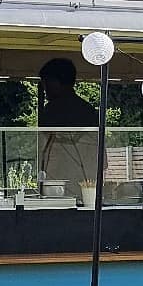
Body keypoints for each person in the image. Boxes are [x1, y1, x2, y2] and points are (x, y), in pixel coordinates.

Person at [38, 57, 99, 196]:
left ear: (56, 82)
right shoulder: (88, 110)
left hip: (57, 183)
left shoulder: (52, 111)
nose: (45, 89)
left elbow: (45, 146)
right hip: (87, 186)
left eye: (46, 83)